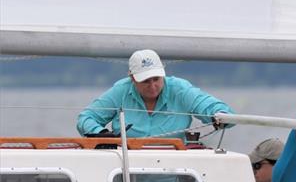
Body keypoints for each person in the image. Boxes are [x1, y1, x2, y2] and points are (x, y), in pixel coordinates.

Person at [77, 49, 233, 140]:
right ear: (132, 78)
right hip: (126, 176)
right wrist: (102, 134)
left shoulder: (180, 89)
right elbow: (85, 118)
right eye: (145, 80)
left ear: (163, 73)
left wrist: (218, 116)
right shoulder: (121, 91)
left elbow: (215, 108)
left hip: (173, 179)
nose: (153, 86)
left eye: (156, 79)